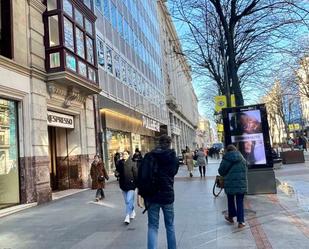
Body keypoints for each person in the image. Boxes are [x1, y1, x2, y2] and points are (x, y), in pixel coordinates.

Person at [144, 135, 179, 249]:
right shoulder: (173, 157)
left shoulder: (150, 155)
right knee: (170, 225)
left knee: (153, 226)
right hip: (167, 194)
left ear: (159, 143)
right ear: (169, 143)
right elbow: (173, 172)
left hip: (152, 195)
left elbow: (144, 174)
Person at [218, 144, 247, 229]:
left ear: (227, 150)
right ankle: (241, 222)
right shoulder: (241, 158)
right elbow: (246, 168)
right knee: (240, 202)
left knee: (230, 200)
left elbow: (221, 171)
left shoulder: (226, 158)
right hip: (241, 183)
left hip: (230, 183)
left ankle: (231, 217)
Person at [116, 150, 138, 224]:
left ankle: (127, 216)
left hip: (131, 185)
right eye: (123, 154)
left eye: (125, 154)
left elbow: (136, 175)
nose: (124, 155)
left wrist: (138, 185)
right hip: (123, 185)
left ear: (128, 155)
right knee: (127, 201)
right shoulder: (119, 163)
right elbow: (117, 171)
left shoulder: (132, 163)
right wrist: (116, 174)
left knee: (128, 200)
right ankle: (132, 210)